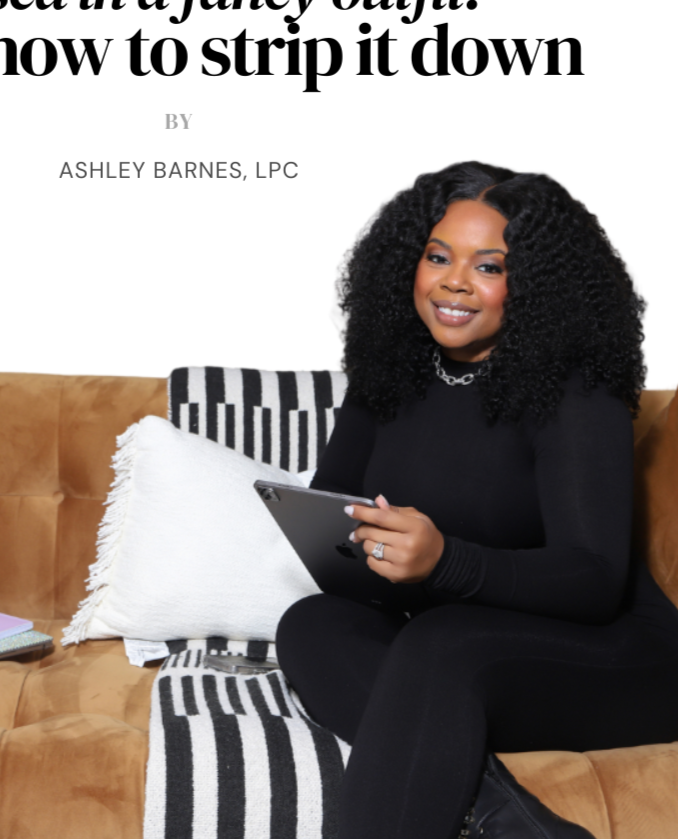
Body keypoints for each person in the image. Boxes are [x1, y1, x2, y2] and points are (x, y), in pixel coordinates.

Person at [276, 161, 678, 839]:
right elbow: (334, 507)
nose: (453, 282)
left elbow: (594, 579)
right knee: (312, 623)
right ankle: (511, 819)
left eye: (489, 267)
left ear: (536, 285)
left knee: (440, 643)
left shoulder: (575, 391)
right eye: (437, 257)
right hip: (451, 641)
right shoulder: (388, 371)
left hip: (613, 656)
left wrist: (443, 562)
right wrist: (355, 545)